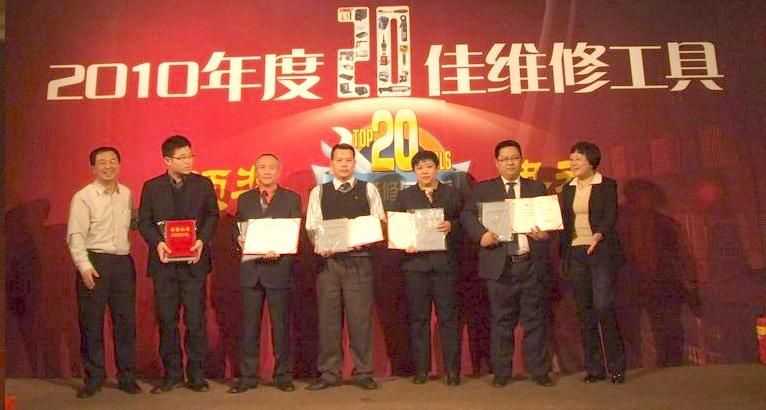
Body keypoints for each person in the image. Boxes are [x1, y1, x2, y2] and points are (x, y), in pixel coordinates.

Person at [461, 139, 554, 387]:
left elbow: (549, 220)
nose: (510, 163)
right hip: (499, 264)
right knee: (501, 321)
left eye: (514, 158)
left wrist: (545, 234)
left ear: (521, 160)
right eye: (505, 159)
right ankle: (501, 372)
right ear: (497, 162)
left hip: (530, 263)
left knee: (535, 320)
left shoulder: (537, 188)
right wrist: (482, 235)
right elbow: (467, 215)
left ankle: (539, 371)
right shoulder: (484, 189)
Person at [137, 135, 219, 393]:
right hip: (164, 265)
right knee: (167, 320)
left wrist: (202, 240)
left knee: (195, 321)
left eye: (190, 156)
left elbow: (212, 215)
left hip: (194, 263)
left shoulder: (203, 184)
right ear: (167, 160)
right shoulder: (152, 187)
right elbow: (144, 222)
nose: (188, 161)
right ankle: (172, 374)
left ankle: (196, 375)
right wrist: (157, 243)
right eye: (182, 157)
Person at [304, 143, 385, 391]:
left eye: (348, 160)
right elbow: (312, 226)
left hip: (360, 261)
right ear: (331, 164)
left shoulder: (368, 189)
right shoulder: (319, 192)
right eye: (339, 160)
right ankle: (329, 372)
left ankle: (363, 372)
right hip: (329, 264)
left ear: (354, 163)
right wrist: (321, 245)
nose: (344, 164)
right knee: (328, 321)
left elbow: (379, 220)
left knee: (360, 321)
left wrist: (366, 236)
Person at [67, 147, 141, 398]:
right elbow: (76, 235)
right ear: (93, 168)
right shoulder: (83, 197)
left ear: (119, 165)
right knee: (91, 323)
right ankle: (94, 378)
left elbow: (134, 223)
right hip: (94, 261)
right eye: (102, 162)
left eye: (112, 161)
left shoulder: (127, 194)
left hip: (122, 263)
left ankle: (127, 377)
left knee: (126, 323)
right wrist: (84, 266)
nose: (108, 166)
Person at [228, 153, 301, 393]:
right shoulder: (245, 199)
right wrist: (239, 239)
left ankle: (283, 376)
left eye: (271, 167)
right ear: (256, 171)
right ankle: (248, 376)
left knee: (281, 327)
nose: (267, 171)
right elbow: (238, 229)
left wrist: (280, 249)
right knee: (249, 328)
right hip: (251, 270)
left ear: (278, 171)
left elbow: (294, 232)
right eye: (262, 167)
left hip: (279, 269)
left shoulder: (291, 198)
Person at [391, 150, 462, 386]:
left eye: (429, 166)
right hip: (415, 266)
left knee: (448, 319)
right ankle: (421, 370)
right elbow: (396, 228)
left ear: (437, 168)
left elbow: (467, 222)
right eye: (420, 167)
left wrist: (452, 225)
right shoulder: (405, 196)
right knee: (418, 319)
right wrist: (404, 243)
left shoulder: (452, 194)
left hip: (445, 266)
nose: (424, 171)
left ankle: (452, 371)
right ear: (414, 171)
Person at [559, 141, 626, 384]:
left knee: (603, 306)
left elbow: (610, 215)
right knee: (584, 311)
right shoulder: (567, 188)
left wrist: (599, 234)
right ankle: (594, 368)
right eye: (571, 159)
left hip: (600, 251)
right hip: (576, 252)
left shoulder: (606, 185)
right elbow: (564, 222)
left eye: (577, 159)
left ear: (591, 161)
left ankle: (616, 366)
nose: (573, 163)